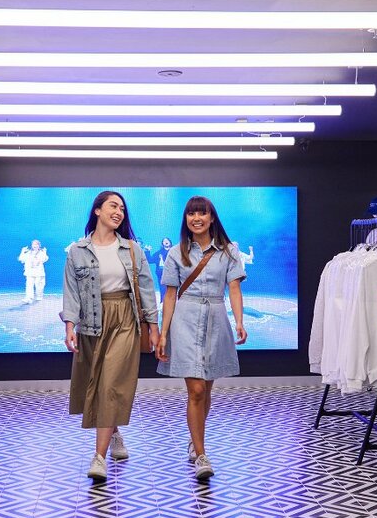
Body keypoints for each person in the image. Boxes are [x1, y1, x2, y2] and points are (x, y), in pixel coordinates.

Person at [60, 191, 160, 482]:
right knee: (96, 382)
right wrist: (69, 325)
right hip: (91, 322)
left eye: (122, 208)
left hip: (125, 319)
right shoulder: (77, 251)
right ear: (97, 211)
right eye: (113, 206)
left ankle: (99, 457)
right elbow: (71, 291)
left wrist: (153, 326)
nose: (119, 212)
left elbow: (146, 287)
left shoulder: (131, 249)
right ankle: (114, 432)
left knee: (111, 383)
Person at [156, 196, 247, 480]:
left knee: (206, 390)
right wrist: (162, 332)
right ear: (186, 219)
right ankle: (201, 453)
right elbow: (170, 295)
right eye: (191, 214)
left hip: (216, 319)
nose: (196, 218)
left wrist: (240, 321)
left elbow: (234, 288)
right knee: (195, 390)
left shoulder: (229, 251)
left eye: (202, 213)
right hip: (184, 319)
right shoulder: (176, 253)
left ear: (211, 218)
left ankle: (195, 439)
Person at [18, 239, 49, 304]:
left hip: (39, 272)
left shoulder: (41, 252)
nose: (34, 245)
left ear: (39, 245)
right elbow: (21, 259)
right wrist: (22, 251)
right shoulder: (29, 253)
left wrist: (45, 252)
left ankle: (39, 296)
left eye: (36, 244)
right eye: (33, 244)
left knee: (39, 286)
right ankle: (29, 298)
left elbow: (44, 259)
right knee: (29, 285)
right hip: (30, 272)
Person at [151, 237, 173, 302]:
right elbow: (150, 260)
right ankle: (162, 302)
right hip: (161, 273)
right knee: (162, 288)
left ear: (170, 242)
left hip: (173, 273)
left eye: (167, 240)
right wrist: (147, 251)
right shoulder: (159, 253)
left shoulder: (175, 251)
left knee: (172, 289)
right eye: (164, 241)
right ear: (162, 243)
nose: (166, 241)